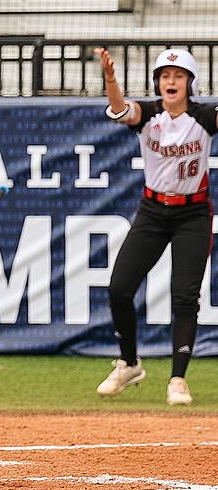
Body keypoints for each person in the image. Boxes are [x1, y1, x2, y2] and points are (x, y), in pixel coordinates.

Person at [95, 48, 214, 406]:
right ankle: (129, 363)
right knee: (119, 288)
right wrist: (111, 79)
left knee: (184, 296)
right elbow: (119, 110)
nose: (171, 82)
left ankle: (178, 378)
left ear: (190, 83)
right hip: (153, 210)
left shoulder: (204, 116)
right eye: (165, 76)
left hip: (193, 214)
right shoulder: (149, 114)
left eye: (178, 76)